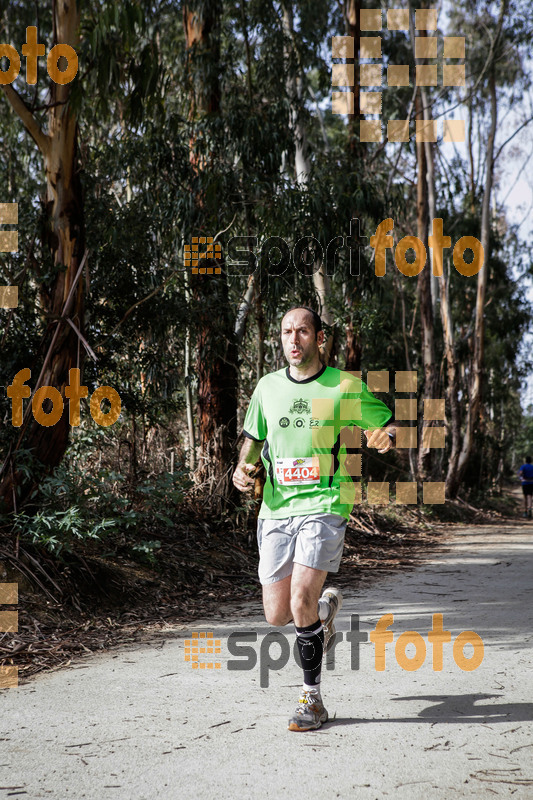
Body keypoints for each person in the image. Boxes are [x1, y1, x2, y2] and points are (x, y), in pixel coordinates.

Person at [232, 306, 397, 731]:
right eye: (287, 331)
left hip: (325, 503)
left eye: (302, 331)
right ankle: (323, 617)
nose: (293, 339)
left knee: (300, 597)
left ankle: (312, 700)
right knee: (276, 614)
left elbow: (388, 426)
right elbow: (253, 441)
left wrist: (384, 438)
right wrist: (242, 470)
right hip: (275, 508)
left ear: (319, 338)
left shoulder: (343, 386)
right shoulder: (267, 387)